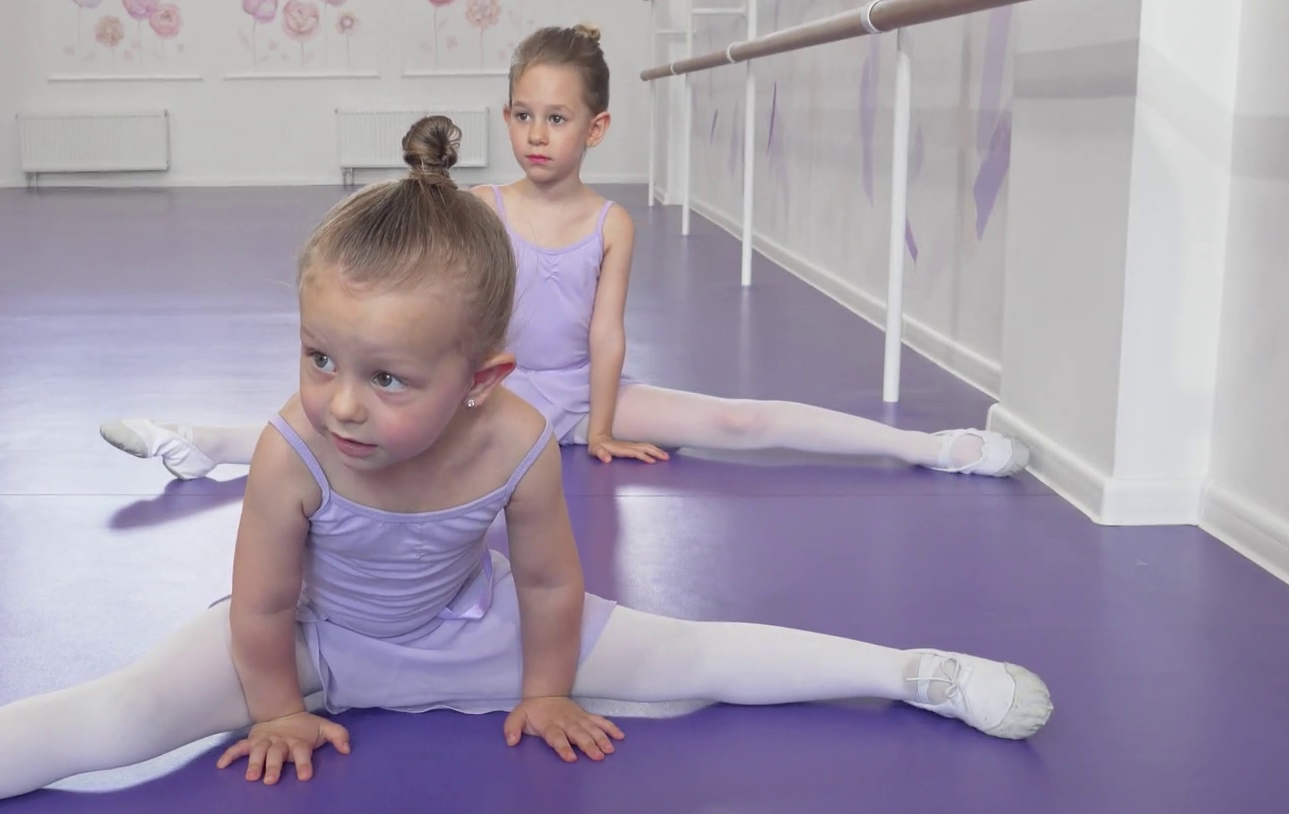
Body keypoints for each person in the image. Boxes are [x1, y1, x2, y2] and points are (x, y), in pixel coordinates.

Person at [0, 119, 1051, 814]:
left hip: (471, 634)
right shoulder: (290, 451)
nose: (339, 401)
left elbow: (550, 583)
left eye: (386, 378)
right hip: (307, 645)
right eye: (320, 358)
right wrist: (273, 706)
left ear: (481, 378)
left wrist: (544, 687)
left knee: (694, 657)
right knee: (112, 722)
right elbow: (262, 604)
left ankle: (915, 674)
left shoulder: (519, 441)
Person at [100, 26, 1030, 480]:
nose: (537, 135)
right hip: (491, 393)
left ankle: (930, 448)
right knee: (345, 427)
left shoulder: (611, 222)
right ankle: (198, 441)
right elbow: (435, 322)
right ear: (507, 118)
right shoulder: (482, 205)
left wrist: (609, 422)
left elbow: (606, 335)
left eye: (557, 118)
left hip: (583, 392)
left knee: (739, 421)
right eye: (523, 116)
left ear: (597, 127)